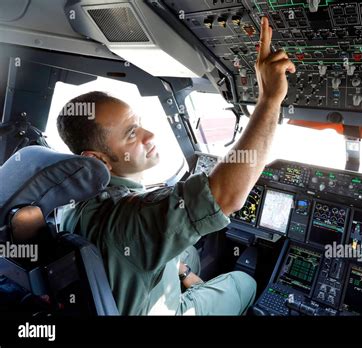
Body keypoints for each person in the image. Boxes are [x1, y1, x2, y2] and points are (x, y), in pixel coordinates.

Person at [57, 17, 296, 315]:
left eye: (139, 124)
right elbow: (225, 197)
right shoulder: (131, 218)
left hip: (123, 291)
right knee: (243, 281)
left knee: (189, 258)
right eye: (131, 133)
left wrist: (182, 273)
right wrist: (270, 100)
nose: (150, 135)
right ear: (98, 159)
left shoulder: (68, 200)